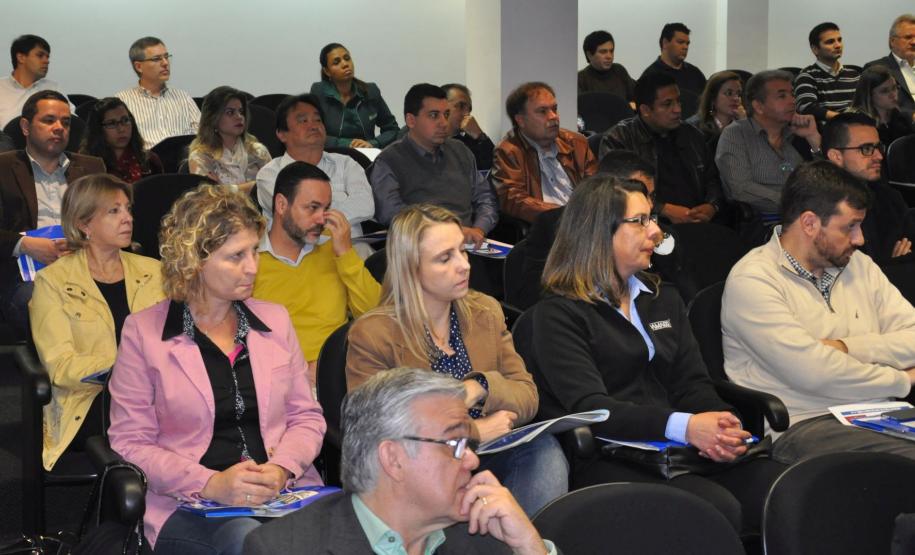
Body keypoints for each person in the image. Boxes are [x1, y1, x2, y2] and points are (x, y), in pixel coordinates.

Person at [528, 174, 784, 534]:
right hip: (613, 454)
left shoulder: (663, 298)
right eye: (640, 221)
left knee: (785, 490)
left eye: (653, 219)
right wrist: (686, 426)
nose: (656, 233)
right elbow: (593, 409)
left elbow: (692, 384)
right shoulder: (558, 315)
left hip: (679, 447)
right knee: (713, 511)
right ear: (598, 231)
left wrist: (722, 424)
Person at [108, 185, 326, 553]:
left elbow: (306, 416)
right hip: (191, 502)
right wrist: (209, 483)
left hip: (283, 491)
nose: (253, 266)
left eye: (254, 251)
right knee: (250, 541)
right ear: (194, 260)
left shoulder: (275, 321)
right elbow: (130, 442)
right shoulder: (143, 333)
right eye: (236, 255)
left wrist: (282, 468)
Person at [345, 204, 568, 516]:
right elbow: (375, 432)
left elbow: (527, 396)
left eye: (462, 251)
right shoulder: (373, 333)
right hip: (420, 469)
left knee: (544, 451)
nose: (464, 265)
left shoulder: (485, 311)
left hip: (489, 455)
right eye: (445, 258)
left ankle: (525, 540)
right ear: (411, 268)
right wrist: (471, 432)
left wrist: (480, 387)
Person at [722, 160, 915, 465]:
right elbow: (815, 373)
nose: (860, 239)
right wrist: (902, 379)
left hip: (881, 412)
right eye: (849, 227)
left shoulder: (859, 265)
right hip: (806, 421)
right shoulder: (754, 279)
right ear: (810, 223)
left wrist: (846, 347)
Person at [245, 368, 558, 554]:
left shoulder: (484, 535)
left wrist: (529, 546)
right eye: (455, 444)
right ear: (393, 459)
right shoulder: (286, 548)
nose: (472, 460)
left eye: (469, 444)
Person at [29, 174, 163, 471]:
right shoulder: (52, 281)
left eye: (128, 209)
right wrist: (129, 367)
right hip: (91, 399)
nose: (128, 218)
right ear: (84, 224)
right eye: (114, 211)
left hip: (157, 390)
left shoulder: (154, 271)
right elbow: (61, 367)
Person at [253, 161, 380, 386]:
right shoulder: (249, 259)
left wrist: (346, 255)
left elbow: (377, 316)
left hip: (340, 373)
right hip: (277, 381)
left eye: (326, 208)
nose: (322, 219)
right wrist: (296, 372)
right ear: (281, 205)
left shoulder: (337, 248)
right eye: (312, 208)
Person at [0, 90, 105, 333]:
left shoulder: (91, 168)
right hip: (26, 278)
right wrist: (25, 245)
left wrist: (85, 242)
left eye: (65, 122)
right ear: (25, 127)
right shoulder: (3, 168)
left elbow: (112, 221)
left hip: (88, 268)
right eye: (49, 120)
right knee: (49, 302)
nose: (59, 128)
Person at [370, 84, 497, 246]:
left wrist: (479, 229)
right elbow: (391, 214)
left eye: (446, 114)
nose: (444, 123)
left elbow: (486, 198)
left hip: (469, 243)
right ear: (411, 120)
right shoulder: (389, 160)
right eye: (433, 115)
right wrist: (449, 231)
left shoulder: (461, 151)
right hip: (420, 246)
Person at [601, 72, 722, 225]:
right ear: (645, 110)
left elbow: (713, 179)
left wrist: (712, 205)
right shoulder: (619, 139)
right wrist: (663, 209)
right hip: (648, 223)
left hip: (698, 221)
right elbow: (617, 191)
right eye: (667, 104)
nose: (677, 109)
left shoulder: (692, 135)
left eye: (678, 101)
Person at [254, 94, 374, 243]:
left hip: (351, 248)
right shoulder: (270, 174)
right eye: (303, 121)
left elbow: (366, 206)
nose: (313, 125)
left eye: (318, 120)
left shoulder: (346, 163)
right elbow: (295, 215)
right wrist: (342, 200)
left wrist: (312, 208)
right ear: (282, 134)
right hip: (297, 252)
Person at [716, 70, 821, 222]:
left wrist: (813, 137)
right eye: (782, 96)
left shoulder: (798, 133)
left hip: (809, 217)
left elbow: (829, 181)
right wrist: (794, 205)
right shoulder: (736, 134)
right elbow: (740, 188)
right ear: (758, 106)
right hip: (764, 223)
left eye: (792, 94)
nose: (792, 101)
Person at [492, 82, 596, 223]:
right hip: (547, 225)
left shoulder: (576, 142)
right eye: (542, 111)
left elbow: (596, 186)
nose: (553, 116)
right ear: (520, 120)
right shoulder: (509, 151)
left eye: (554, 109)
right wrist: (561, 214)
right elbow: (513, 199)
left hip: (585, 221)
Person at [822, 112, 912, 264]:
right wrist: (894, 266)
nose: (879, 156)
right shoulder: (822, 209)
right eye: (866, 149)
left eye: (878, 147)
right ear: (836, 156)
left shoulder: (889, 197)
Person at [309, 42, 399, 149]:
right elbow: (312, 133)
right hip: (332, 154)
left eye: (347, 58)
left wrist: (374, 143)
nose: (345, 64)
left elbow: (392, 129)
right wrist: (347, 144)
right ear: (327, 71)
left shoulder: (370, 91)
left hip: (365, 153)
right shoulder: (319, 92)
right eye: (336, 62)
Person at [116, 36, 200, 149]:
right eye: (156, 59)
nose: (165, 63)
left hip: (185, 157)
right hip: (146, 159)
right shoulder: (122, 101)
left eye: (166, 57)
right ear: (139, 66)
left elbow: (204, 136)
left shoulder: (183, 97)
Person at [188, 86, 271, 192]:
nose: (239, 117)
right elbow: (208, 196)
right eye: (230, 112)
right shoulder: (201, 156)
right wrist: (253, 186)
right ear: (213, 118)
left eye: (241, 111)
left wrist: (225, 189)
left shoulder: (258, 151)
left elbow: (274, 186)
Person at [79, 96, 163, 184]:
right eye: (111, 123)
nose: (121, 129)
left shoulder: (149, 161)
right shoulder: (87, 164)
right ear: (98, 129)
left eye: (125, 120)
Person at [794, 22, 860, 123]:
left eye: (839, 40)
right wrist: (844, 119)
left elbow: (866, 105)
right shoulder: (807, 76)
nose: (838, 45)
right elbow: (806, 107)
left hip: (858, 127)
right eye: (830, 42)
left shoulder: (854, 75)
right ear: (815, 49)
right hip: (829, 130)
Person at [0, 34, 70, 128]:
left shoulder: (53, 88)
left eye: (47, 57)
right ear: (21, 57)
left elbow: (73, 121)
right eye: (40, 55)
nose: (47, 61)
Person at [864, 14, 915, 117]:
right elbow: (875, 106)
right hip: (902, 125)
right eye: (908, 37)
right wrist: (911, 116)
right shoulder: (876, 69)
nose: (914, 42)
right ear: (892, 41)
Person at [851, 65, 915, 146]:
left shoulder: (903, 119)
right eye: (885, 91)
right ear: (869, 95)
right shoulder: (859, 125)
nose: (893, 95)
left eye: (894, 88)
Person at [641, 23, 706, 97]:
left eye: (687, 44)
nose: (685, 47)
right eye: (680, 42)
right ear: (665, 43)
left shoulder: (695, 73)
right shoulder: (650, 76)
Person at [442, 83, 496, 171]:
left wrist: (480, 135)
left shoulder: (470, 143)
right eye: (461, 106)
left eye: (469, 109)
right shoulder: (427, 140)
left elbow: (496, 168)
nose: (467, 113)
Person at [577, 30, 637, 107]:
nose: (609, 56)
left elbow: (638, 94)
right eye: (603, 52)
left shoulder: (619, 71)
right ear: (589, 55)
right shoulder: (580, 79)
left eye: (611, 51)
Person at [687, 70, 746, 142]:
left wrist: (745, 124)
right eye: (729, 93)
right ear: (712, 97)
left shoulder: (742, 123)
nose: (736, 98)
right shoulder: (693, 128)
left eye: (739, 94)